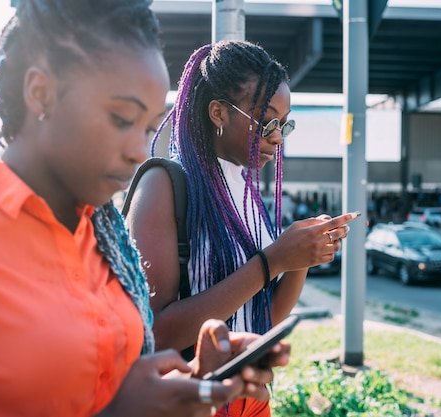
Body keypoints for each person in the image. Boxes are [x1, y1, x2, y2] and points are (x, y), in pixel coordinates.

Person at [0, 2, 290, 417]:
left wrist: (196, 380)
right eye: (122, 118)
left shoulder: (107, 241)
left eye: (148, 127)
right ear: (41, 93)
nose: (139, 150)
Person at [125, 40, 356, 417]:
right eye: (267, 122)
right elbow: (156, 333)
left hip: (251, 398)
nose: (277, 137)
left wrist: (302, 257)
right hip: (189, 399)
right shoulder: (165, 183)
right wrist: (271, 261)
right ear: (218, 112)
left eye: (284, 124)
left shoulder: (245, 190)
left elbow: (262, 320)